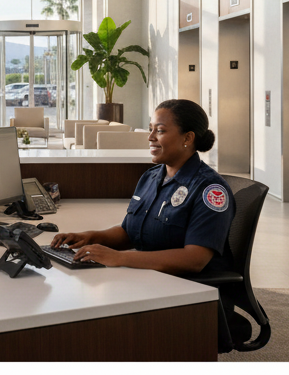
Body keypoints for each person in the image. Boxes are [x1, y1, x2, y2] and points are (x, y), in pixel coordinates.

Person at [51, 99, 235, 274]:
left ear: (187, 138)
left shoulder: (209, 189)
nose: (150, 137)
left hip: (190, 288)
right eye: (150, 129)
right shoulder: (151, 176)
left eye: (160, 131)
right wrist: (89, 237)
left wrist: (119, 257)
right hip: (149, 276)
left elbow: (195, 260)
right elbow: (130, 233)